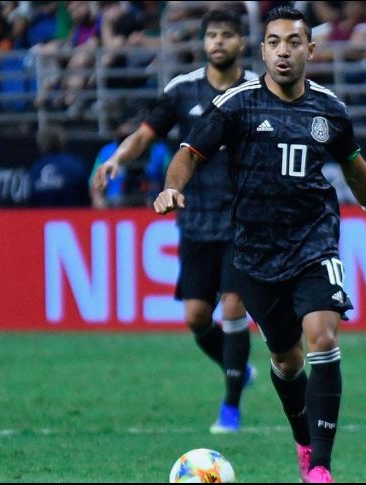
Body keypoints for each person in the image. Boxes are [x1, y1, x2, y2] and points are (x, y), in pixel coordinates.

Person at [153, 6, 366, 483]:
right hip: (254, 254)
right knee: (287, 363)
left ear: (309, 49)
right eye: (274, 42)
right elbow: (189, 152)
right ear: (263, 49)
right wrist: (173, 187)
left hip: (314, 242)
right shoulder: (236, 104)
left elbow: (356, 170)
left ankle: (322, 469)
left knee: (323, 337)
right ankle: (305, 442)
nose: (283, 51)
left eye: (293, 42)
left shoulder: (329, 110)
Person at [91, 8, 258, 434]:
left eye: (227, 36)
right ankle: (237, 366)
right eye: (211, 36)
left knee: (235, 305)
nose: (218, 43)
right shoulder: (182, 91)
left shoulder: (258, 91)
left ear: (241, 43)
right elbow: (146, 134)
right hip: (196, 218)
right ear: (203, 43)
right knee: (197, 317)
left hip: (245, 218)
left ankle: (231, 408)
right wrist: (116, 159)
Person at [29, 126, 90, 207]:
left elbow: (31, 200)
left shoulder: (36, 168)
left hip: (43, 217)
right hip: (72, 215)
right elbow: (86, 196)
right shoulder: (75, 165)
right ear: (63, 141)